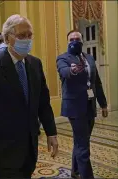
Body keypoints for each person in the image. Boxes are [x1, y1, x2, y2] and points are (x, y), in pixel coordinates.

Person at [0, 14, 59, 178]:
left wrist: (51, 133)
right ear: (7, 38)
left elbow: (43, 103)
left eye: (29, 35)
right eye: (21, 36)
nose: (27, 40)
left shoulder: (35, 64)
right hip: (3, 146)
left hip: (30, 144)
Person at [56, 30, 108, 179]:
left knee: (82, 140)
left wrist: (103, 104)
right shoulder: (63, 58)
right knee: (83, 145)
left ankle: (75, 170)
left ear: (82, 41)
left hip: (90, 105)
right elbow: (64, 72)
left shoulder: (89, 58)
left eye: (77, 39)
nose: (74, 41)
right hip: (74, 107)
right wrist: (72, 70)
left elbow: (96, 82)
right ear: (67, 41)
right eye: (71, 39)